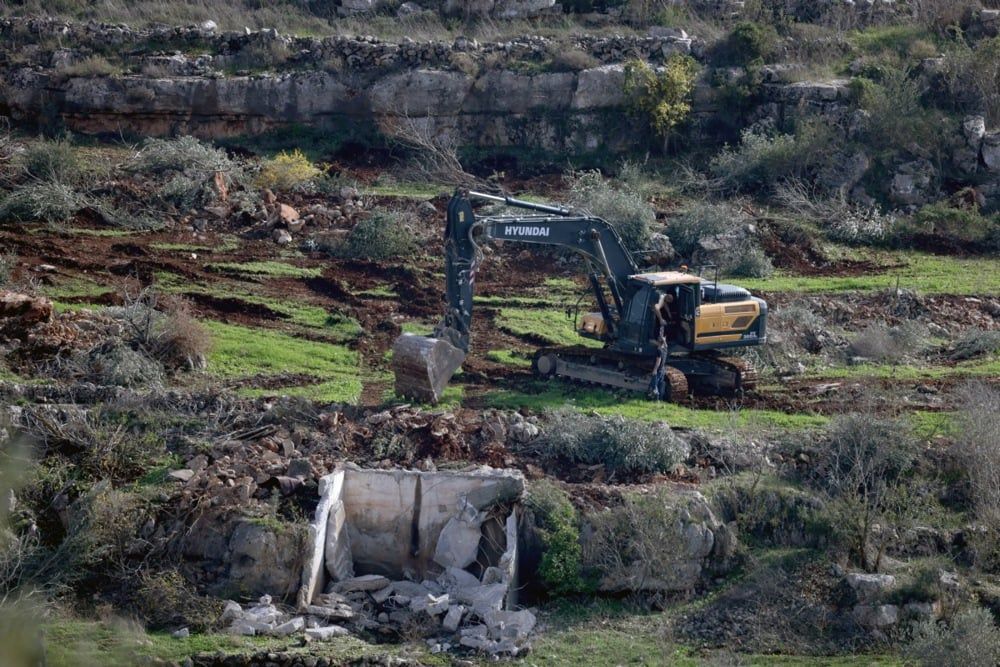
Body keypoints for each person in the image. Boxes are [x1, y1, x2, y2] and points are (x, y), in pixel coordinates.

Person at [648, 335, 670, 400]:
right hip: (662, 369)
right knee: (660, 385)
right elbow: (666, 345)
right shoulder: (665, 349)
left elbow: (658, 361)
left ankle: (656, 399)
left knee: (654, 385)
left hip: (658, 370)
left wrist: (655, 370)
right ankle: (660, 399)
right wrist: (664, 340)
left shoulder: (659, 350)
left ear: (658, 342)